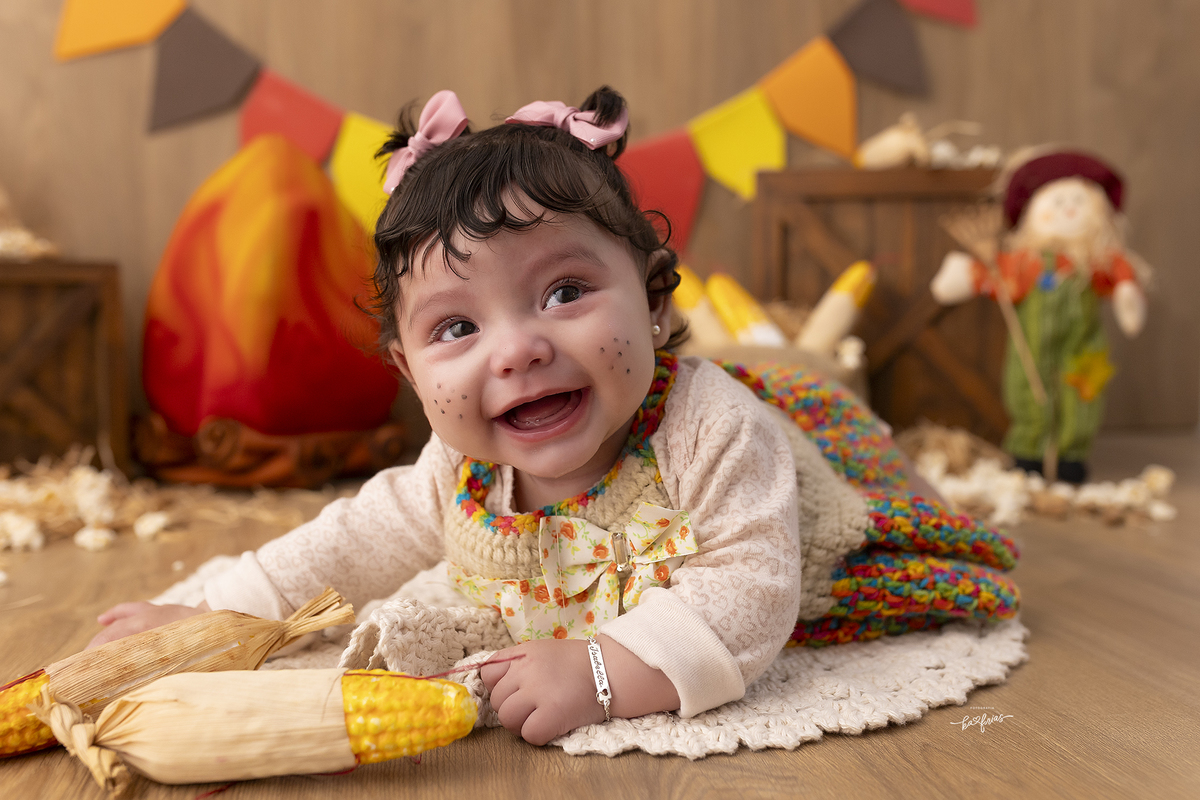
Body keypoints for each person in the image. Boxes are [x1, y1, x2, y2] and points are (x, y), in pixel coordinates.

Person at [91, 87, 1017, 747]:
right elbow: (343, 548)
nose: (516, 349)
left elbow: (751, 589)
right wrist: (211, 613)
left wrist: (606, 671)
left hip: (799, 501)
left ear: (653, 300)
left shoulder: (709, 430)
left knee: (852, 460)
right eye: (457, 325)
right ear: (409, 372)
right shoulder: (455, 473)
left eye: (565, 291)